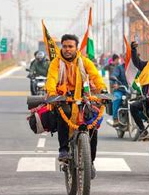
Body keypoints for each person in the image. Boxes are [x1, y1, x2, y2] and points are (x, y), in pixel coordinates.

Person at [46, 34, 107, 179]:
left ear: (76, 48)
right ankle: (63, 149)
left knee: (92, 126)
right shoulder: (56, 63)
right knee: (64, 113)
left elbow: (95, 77)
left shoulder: (84, 62)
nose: (67, 49)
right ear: (61, 47)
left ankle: (90, 162)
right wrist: (52, 94)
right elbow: (51, 79)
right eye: (65, 46)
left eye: (70, 46)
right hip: (63, 98)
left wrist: (102, 90)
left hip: (84, 97)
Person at [107, 54, 127, 127]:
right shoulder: (119, 68)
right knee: (117, 98)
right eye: (127, 58)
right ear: (124, 59)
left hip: (132, 91)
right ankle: (115, 118)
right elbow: (114, 75)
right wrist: (115, 84)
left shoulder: (135, 68)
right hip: (121, 90)